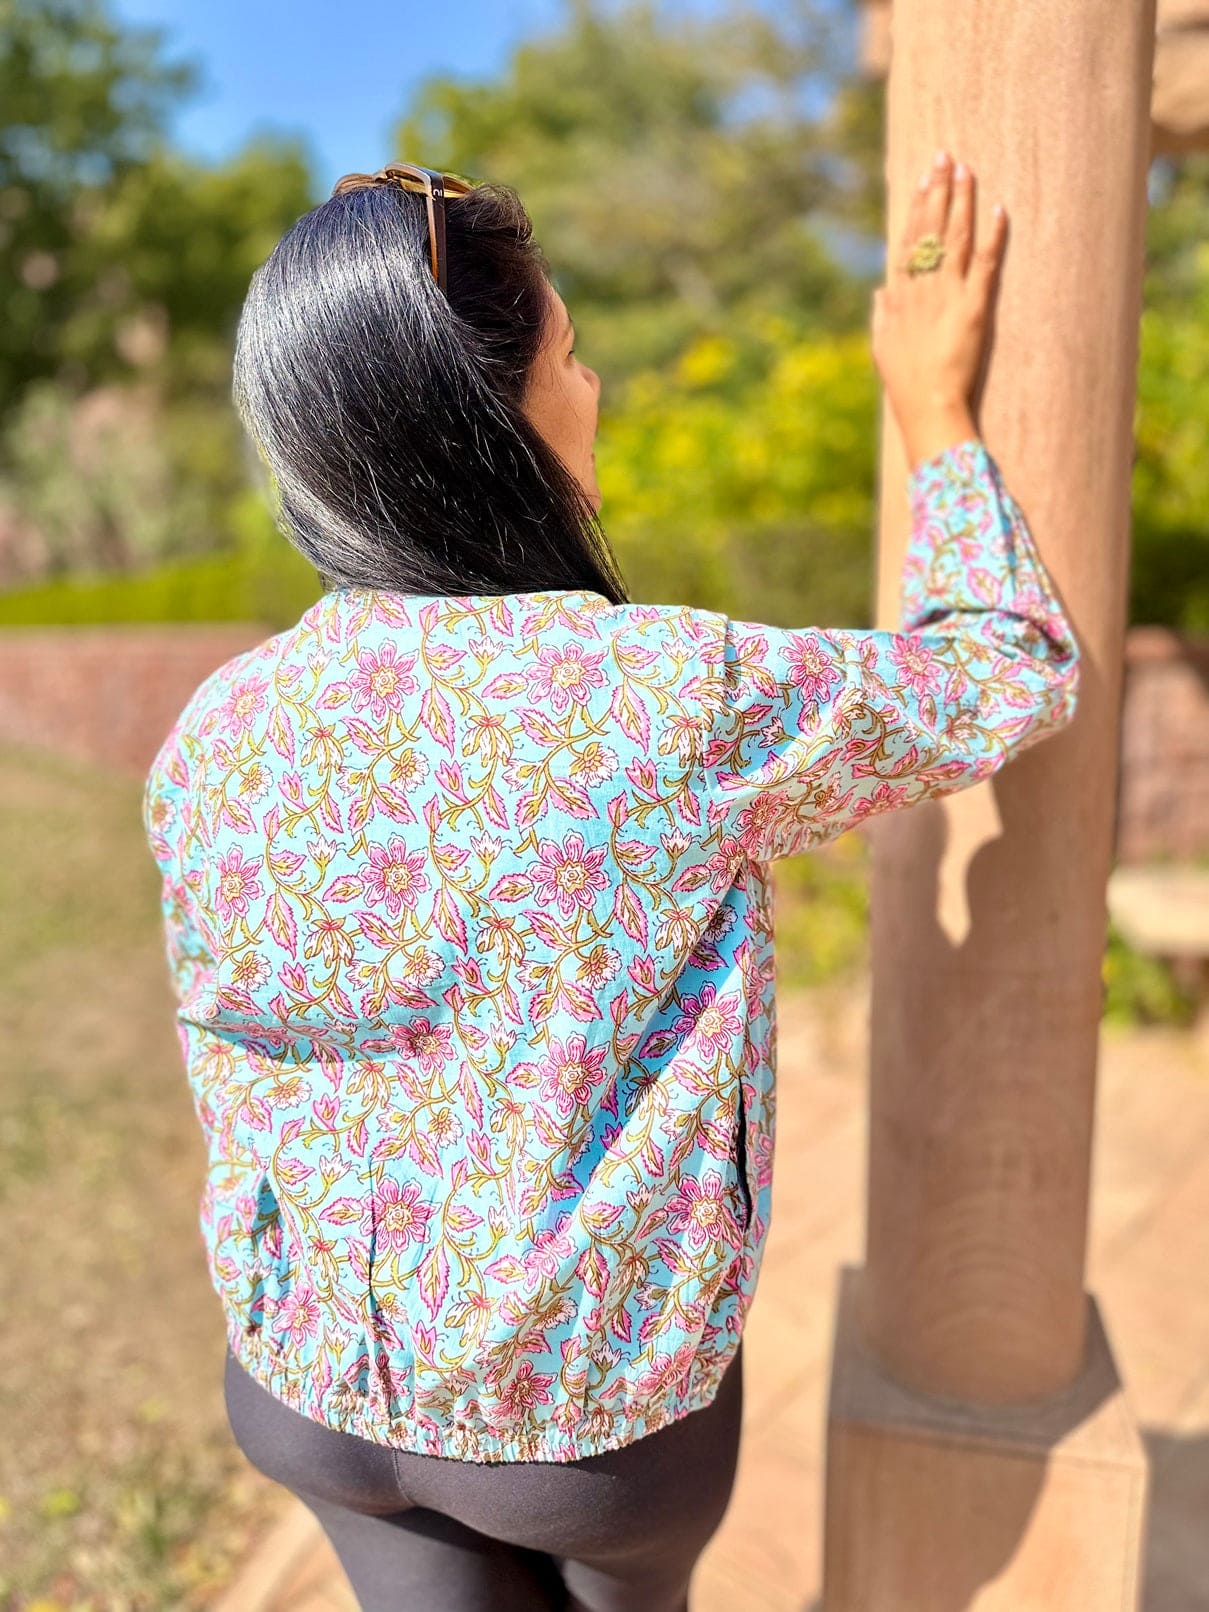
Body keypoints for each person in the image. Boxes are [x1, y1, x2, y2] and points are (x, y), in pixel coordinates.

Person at [142, 150, 1079, 1612]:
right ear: (486, 419)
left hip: (306, 1379)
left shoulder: (215, 731)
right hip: (581, 1415)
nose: (593, 391)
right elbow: (1003, 673)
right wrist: (938, 418)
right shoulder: (660, 694)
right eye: (571, 358)